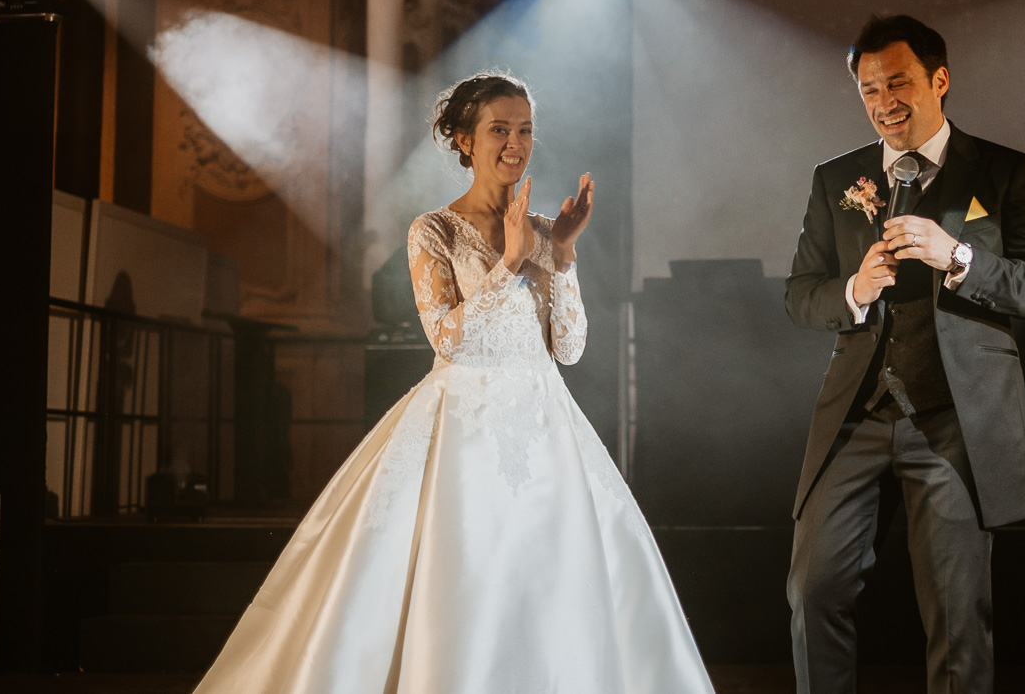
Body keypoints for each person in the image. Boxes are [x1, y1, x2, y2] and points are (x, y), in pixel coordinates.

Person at [194, 73, 714, 693]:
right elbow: (447, 339)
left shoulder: (546, 230)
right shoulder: (432, 231)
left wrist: (564, 253)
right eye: (500, 129)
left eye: (525, 129)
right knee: (462, 575)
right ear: (465, 141)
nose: (515, 143)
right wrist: (512, 261)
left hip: (546, 422)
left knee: (553, 583)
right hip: (460, 429)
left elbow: (570, 350)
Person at [784, 15, 1025, 693]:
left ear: (939, 80)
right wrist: (852, 290)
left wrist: (959, 257)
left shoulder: (1003, 173)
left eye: (900, 82)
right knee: (813, 587)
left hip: (954, 420)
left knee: (956, 612)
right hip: (857, 416)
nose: (885, 101)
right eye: (870, 88)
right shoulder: (837, 179)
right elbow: (799, 295)